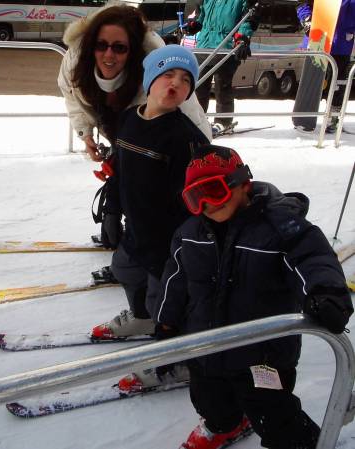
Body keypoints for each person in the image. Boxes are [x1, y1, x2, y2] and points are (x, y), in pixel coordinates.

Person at [152, 145, 353, 449]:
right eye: (195, 198)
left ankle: (298, 443)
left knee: (274, 414)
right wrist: (166, 323)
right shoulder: (189, 233)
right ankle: (222, 425)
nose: (206, 204)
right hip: (204, 347)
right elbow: (175, 280)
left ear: (242, 183)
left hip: (263, 356)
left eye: (213, 191)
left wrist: (327, 293)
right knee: (209, 399)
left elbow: (313, 258)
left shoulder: (280, 227)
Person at [89, 45, 210, 351]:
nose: (175, 84)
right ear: (150, 79)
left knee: (166, 300)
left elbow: (192, 201)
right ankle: (143, 316)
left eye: (185, 80)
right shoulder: (129, 120)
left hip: (169, 242)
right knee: (124, 269)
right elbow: (119, 170)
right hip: (137, 230)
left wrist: (182, 245)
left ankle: (177, 351)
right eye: (168, 74)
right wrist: (112, 212)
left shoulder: (186, 138)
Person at [58, 3, 211, 163]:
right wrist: (85, 132)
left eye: (119, 48)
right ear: (90, 45)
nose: (109, 55)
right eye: (101, 45)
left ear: (133, 50)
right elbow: (70, 93)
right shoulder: (75, 63)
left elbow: (192, 120)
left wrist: (203, 162)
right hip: (123, 141)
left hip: (162, 152)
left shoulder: (158, 73)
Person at [185, 0, 257, 129]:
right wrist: (194, 24)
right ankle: (197, 119)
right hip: (204, 46)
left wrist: (242, 38)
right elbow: (201, 15)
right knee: (199, 86)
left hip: (226, 48)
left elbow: (247, 20)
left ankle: (223, 121)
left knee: (222, 85)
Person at [297, 0, 355, 133]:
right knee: (312, 81)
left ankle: (333, 118)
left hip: (342, 42)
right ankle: (304, 117)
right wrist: (307, 20)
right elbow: (302, 4)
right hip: (318, 39)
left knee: (338, 84)